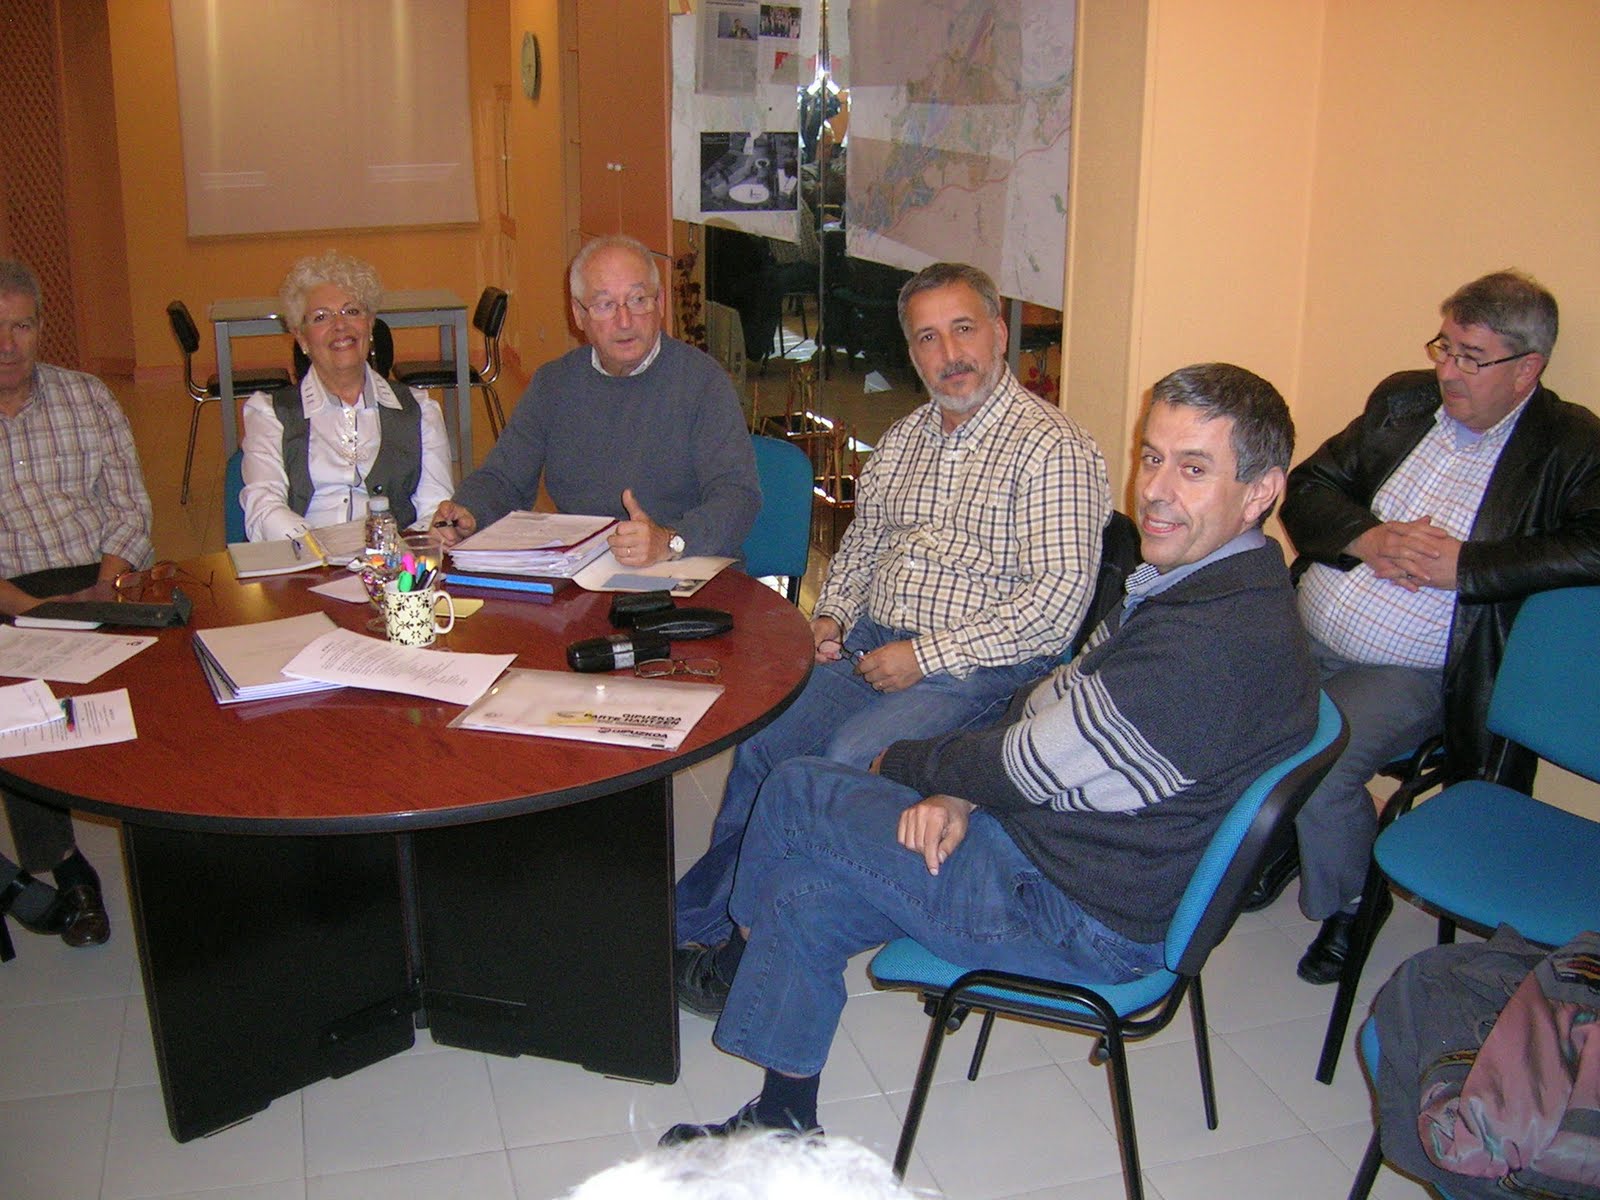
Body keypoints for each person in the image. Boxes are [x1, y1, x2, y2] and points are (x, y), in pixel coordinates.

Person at [659, 362, 1319, 1144]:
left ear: (1261, 490)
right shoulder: (1208, 583)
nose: (1155, 490)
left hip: (1078, 913)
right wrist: (960, 793)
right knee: (804, 890)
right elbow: (1052, 703)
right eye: (1152, 456)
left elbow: (1029, 764)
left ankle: (730, 961)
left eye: (1194, 468)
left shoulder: (1210, 645)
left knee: (801, 788)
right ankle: (782, 1122)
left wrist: (907, 766)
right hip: (1063, 848)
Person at [672, 262, 1110, 1005]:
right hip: (877, 639)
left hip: (982, 668)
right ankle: (700, 921)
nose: (950, 354)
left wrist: (924, 656)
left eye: (963, 329)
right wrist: (835, 616)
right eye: (928, 338)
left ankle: (747, 949)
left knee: (843, 761)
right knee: (766, 739)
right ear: (912, 353)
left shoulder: (1053, 449)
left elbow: (1056, 607)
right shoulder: (906, 438)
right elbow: (863, 546)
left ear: (999, 333)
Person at [1279, 269, 1600, 984]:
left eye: (1470, 357)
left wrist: (1469, 566)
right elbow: (1309, 487)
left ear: (1527, 370)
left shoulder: (1570, 443)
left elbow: (1595, 545)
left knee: (1318, 759)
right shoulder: (1405, 402)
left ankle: (1352, 902)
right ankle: (1282, 849)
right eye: (1444, 347)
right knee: (1226, 711)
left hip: (1418, 670)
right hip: (1306, 628)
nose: (1446, 370)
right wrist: (1367, 538)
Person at [431, 234, 760, 567]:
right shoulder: (553, 384)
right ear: (578, 314)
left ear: (660, 303)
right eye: (605, 305)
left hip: (686, 566)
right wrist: (468, 511)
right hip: (586, 570)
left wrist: (670, 540)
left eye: (638, 300)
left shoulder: (703, 382)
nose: (625, 321)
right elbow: (504, 478)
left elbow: (738, 496)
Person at [0, 257, 152, 948]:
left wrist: (106, 586)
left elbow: (129, 507)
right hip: (9, 590)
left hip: (97, 575)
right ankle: (64, 863)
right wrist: (25, 610)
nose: (8, 344)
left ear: (41, 327)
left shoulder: (87, 396)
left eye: (22, 326)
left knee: (160, 685)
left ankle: (163, 828)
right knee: (21, 708)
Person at [240, 252, 452, 541]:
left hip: (394, 561)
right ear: (301, 338)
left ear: (370, 324)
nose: (340, 326)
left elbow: (435, 510)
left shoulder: (420, 410)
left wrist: (392, 551)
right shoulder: (269, 414)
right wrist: (324, 551)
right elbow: (264, 510)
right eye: (321, 317)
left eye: (351, 311)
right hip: (303, 560)